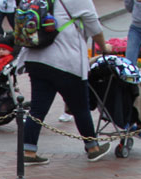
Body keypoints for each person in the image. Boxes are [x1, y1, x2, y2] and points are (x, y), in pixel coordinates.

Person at [15, 0, 114, 164]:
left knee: (38, 109)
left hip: (36, 58)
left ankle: (28, 151)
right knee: (80, 107)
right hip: (65, 61)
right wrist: (104, 47)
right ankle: (93, 148)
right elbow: (94, 26)